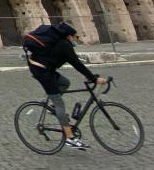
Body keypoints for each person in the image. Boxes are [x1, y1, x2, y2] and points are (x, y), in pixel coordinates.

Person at [26, 21, 107, 150]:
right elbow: (77, 64)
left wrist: (91, 77)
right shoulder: (64, 46)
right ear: (69, 36)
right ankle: (70, 138)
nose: (76, 39)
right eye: (75, 37)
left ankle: (52, 106)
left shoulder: (60, 43)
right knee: (60, 104)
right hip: (41, 71)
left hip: (45, 68)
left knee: (65, 83)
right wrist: (94, 79)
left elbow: (75, 63)